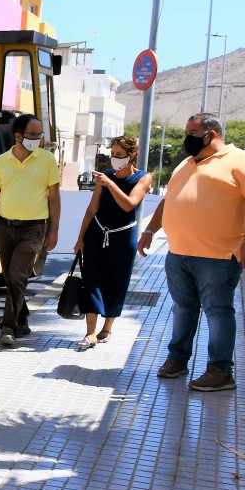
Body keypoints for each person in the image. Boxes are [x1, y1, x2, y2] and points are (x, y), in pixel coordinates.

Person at [139, 113, 245, 391]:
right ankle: (177, 360)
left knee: (218, 311)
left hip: (219, 256)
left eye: (192, 132)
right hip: (179, 252)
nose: (187, 138)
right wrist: (149, 231)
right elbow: (169, 201)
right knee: (183, 308)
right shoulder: (185, 163)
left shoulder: (242, 161)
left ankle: (220, 371)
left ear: (212, 134)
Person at [0, 113, 61, 346]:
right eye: (33, 134)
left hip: (33, 229)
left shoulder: (47, 160)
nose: (38, 138)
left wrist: (53, 231)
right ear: (18, 135)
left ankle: (8, 328)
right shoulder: (2, 161)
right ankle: (22, 318)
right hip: (4, 227)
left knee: (16, 275)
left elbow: (54, 198)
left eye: (40, 134)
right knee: (12, 279)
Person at [73, 136, 152, 351]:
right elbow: (92, 209)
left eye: (119, 155)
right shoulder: (105, 176)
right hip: (96, 234)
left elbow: (129, 205)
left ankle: (107, 328)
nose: (114, 159)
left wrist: (110, 184)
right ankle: (90, 333)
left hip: (123, 236)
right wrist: (80, 238)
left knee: (116, 282)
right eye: (113, 154)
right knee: (92, 281)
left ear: (132, 155)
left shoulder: (143, 178)